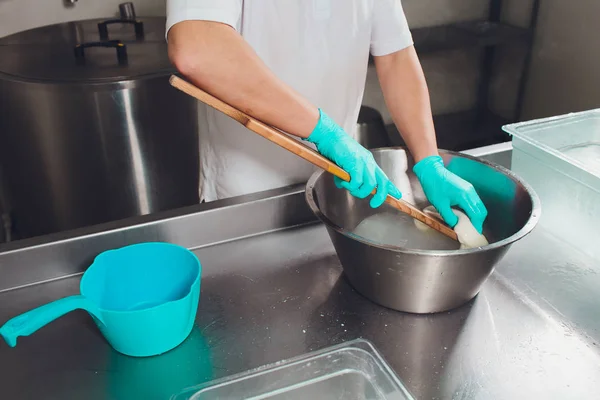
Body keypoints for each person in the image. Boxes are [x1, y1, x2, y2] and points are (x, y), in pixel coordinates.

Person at [166, 0, 488, 232]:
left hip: (334, 186)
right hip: (245, 196)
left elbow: (395, 56)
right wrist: (324, 131)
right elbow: (197, 46)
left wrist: (428, 161)